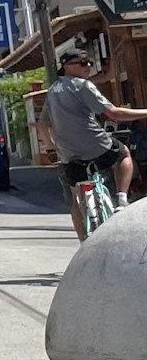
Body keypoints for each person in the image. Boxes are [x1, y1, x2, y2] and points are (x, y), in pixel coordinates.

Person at [43, 48, 147, 238]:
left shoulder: (52, 91)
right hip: (95, 144)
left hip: (68, 153)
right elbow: (115, 114)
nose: (88, 66)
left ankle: (84, 243)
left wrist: (53, 147)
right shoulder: (83, 86)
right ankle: (122, 200)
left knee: (76, 200)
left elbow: (43, 125)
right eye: (82, 63)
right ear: (67, 67)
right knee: (123, 153)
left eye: (89, 63)